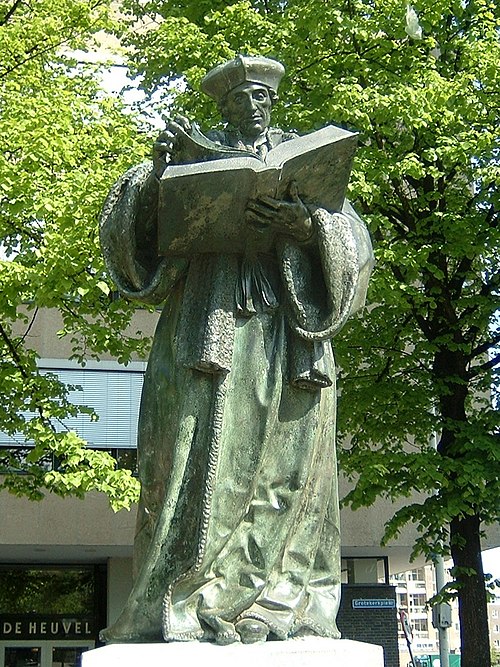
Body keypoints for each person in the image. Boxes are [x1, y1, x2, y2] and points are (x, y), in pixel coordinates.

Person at [99, 55, 374, 645]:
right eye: (240, 98)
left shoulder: (306, 168)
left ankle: (278, 602)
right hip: (210, 331)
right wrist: (154, 177)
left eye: (261, 97)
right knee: (195, 459)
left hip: (290, 336)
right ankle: (191, 597)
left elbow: (355, 249)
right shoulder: (192, 156)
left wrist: (310, 228)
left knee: (290, 465)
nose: (253, 106)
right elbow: (128, 243)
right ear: (223, 107)